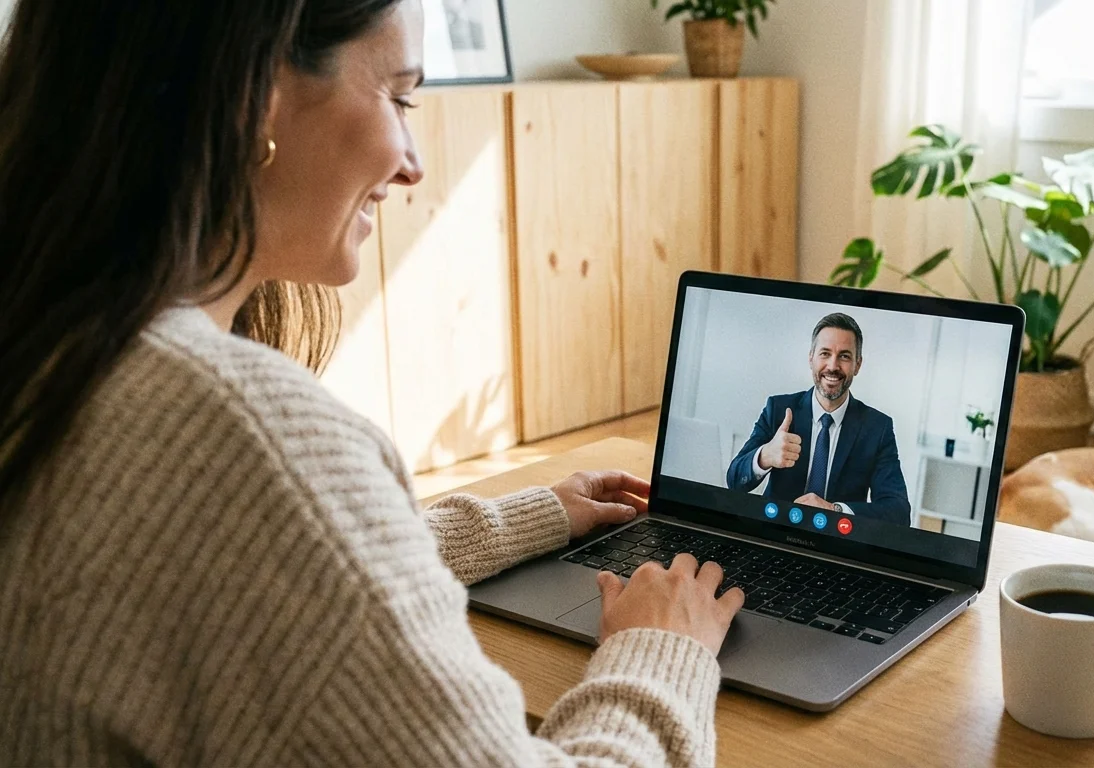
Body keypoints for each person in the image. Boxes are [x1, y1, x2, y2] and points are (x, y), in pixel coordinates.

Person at [0, 0, 743, 764]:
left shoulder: (55, 350)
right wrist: (664, 647)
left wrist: (524, 519)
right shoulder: (246, 435)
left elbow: (270, 564)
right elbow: (283, 523)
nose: (413, 163)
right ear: (255, 95)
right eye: (399, 97)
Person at [726, 313, 911, 526]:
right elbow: (734, 480)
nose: (833, 366)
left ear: (857, 365)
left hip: (836, 540)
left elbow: (898, 512)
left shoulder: (878, 428)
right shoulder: (778, 409)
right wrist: (765, 455)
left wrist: (835, 510)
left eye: (844, 356)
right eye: (825, 353)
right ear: (811, 358)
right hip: (774, 532)